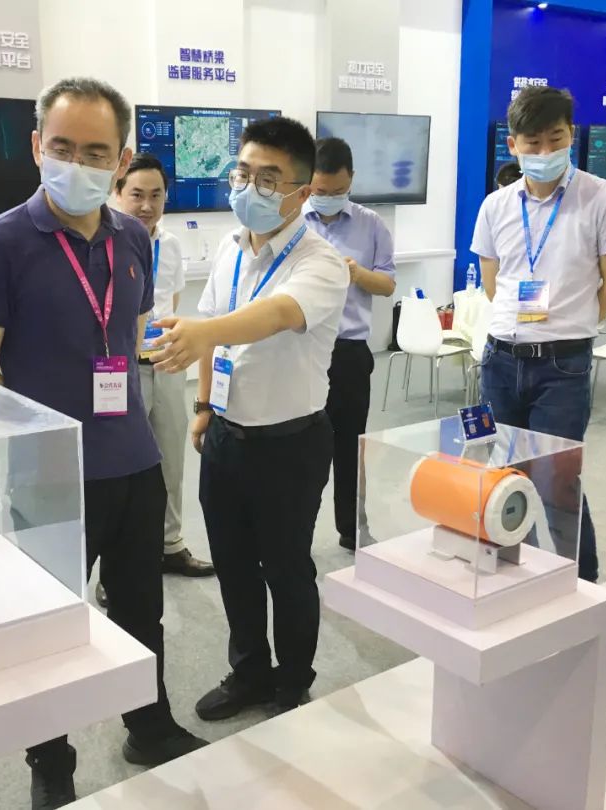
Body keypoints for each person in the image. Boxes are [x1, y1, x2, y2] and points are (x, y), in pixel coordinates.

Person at [0, 76, 206, 810]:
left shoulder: (134, 238)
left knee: (141, 610)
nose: (78, 163)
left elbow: (126, 342)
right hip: (50, 477)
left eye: (97, 152)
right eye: (62, 147)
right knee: (48, 626)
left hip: (135, 463)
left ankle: (147, 725)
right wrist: (34, 454)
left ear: (120, 160)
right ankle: (51, 760)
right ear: (37, 147)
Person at [149, 117, 348, 719]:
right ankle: (249, 673)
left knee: (286, 568)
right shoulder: (232, 249)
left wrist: (203, 331)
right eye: (243, 173)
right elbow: (214, 338)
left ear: (302, 192)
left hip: (290, 444)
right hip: (227, 437)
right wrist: (204, 407)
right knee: (233, 565)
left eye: (268, 179)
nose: (249, 188)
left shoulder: (321, 262)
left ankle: (292, 682)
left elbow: (277, 315)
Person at [470, 86, 606, 583]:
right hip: (500, 359)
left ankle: (581, 584)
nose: (544, 151)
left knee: (557, 479)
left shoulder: (603, 198)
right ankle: (512, 575)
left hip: (562, 365)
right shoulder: (496, 206)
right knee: (502, 474)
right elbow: (494, 283)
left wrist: (569, 323)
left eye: (555, 139)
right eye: (533, 142)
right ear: (513, 145)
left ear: (571, 136)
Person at [109, 152, 215, 604]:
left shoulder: (170, 245)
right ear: (118, 193)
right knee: (118, 468)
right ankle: (113, 566)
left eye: (156, 196)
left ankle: (170, 545)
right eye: (137, 194)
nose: (146, 205)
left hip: (166, 361)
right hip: (117, 369)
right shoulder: (104, 242)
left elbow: (171, 299)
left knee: (171, 457)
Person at [303, 137, 395, 551]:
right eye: (320, 191)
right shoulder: (292, 221)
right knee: (301, 448)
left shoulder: (371, 225)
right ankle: (295, 532)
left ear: (351, 181)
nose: (328, 198)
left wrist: (358, 274)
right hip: (301, 349)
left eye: (337, 191)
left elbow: (388, 284)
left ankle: (352, 528)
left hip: (349, 353)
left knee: (350, 445)